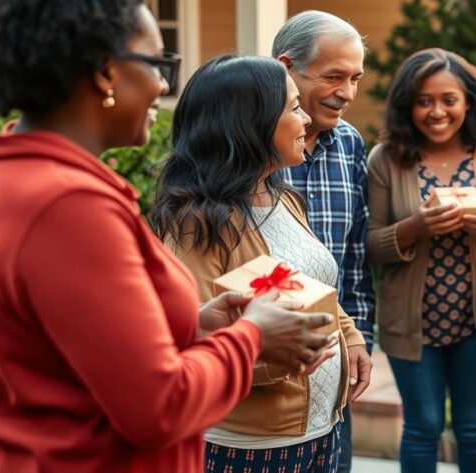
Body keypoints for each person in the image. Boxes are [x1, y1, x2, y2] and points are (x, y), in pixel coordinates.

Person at [0, 0, 333, 472]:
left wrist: (196, 329)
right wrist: (251, 339)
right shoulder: (70, 206)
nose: (164, 86)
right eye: (156, 64)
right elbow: (157, 406)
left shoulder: (16, 174)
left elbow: (77, 355)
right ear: (106, 72)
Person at [150, 54, 370, 473]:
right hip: (251, 447)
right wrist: (287, 357)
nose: (306, 119)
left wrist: (351, 338)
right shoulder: (196, 224)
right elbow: (193, 348)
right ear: (249, 124)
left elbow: (313, 287)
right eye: (293, 108)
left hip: (323, 429)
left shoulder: (284, 198)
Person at [367, 48, 476, 473]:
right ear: (407, 105)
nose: (437, 111)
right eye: (424, 101)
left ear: (468, 101)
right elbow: (369, 245)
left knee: (474, 426)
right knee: (422, 426)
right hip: (411, 322)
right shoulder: (386, 159)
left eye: (449, 99)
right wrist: (415, 227)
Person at [272, 11, 374, 471]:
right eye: (334, 76)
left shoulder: (350, 144)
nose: (347, 93)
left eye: (355, 78)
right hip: (263, 366)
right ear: (286, 67)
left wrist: (357, 339)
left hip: (334, 365)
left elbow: (353, 258)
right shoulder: (248, 149)